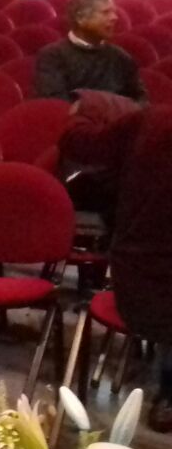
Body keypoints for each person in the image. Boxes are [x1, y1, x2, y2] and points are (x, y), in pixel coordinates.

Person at [61, 92, 172, 431]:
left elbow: (80, 144)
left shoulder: (153, 119)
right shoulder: (152, 120)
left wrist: (83, 112)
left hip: (140, 280)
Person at [34, 0, 145, 102]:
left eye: (114, 12)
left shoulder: (121, 57)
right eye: (106, 12)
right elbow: (54, 102)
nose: (114, 18)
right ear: (80, 18)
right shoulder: (53, 55)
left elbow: (140, 101)